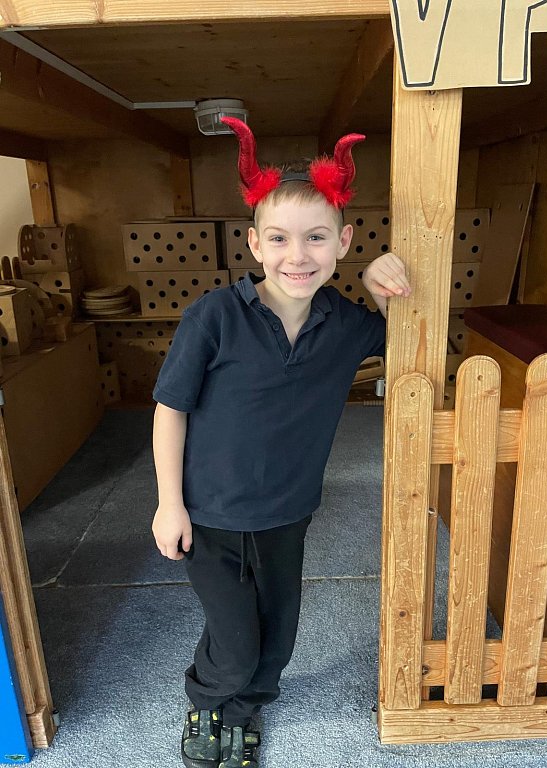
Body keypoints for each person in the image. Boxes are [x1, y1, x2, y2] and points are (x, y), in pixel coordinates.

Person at [151, 117, 411, 768]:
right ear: (255, 244)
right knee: (234, 639)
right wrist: (168, 504)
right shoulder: (214, 317)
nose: (299, 255)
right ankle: (208, 700)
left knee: (278, 638)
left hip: (287, 515)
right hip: (208, 513)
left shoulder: (345, 325)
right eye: (280, 238)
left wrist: (381, 279)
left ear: (342, 241)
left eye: (316, 237)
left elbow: (406, 329)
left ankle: (245, 711)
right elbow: (170, 410)